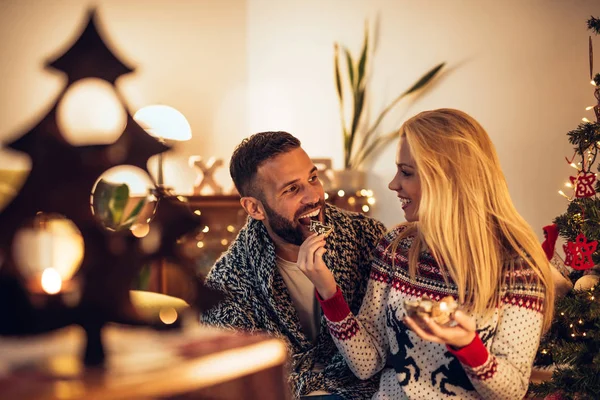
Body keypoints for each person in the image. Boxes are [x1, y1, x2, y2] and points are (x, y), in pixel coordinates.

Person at [297, 109, 555, 399]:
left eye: (406, 172)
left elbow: (510, 392)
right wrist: (327, 289)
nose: (393, 184)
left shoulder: (518, 267)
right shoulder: (396, 247)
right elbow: (367, 363)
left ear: (448, 179)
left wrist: (468, 344)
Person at [200, 131, 386, 399]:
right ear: (254, 208)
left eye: (313, 178)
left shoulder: (367, 239)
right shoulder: (227, 283)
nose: (313, 196)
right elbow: (234, 378)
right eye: (291, 189)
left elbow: (390, 346)